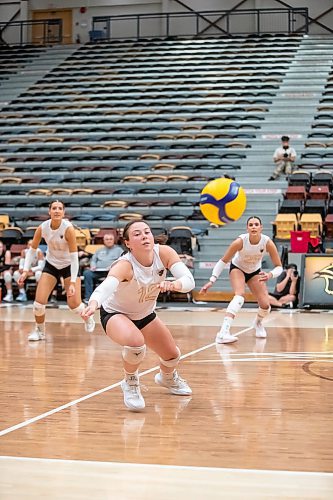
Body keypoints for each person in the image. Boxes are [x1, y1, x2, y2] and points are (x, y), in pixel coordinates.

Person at [81, 220, 195, 411]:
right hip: (116, 313)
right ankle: (130, 381)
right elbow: (106, 287)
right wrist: (93, 303)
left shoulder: (164, 253)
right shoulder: (125, 265)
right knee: (136, 343)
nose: (144, 236)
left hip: (145, 314)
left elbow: (188, 280)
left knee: (172, 356)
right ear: (127, 243)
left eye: (147, 232)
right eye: (137, 234)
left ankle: (167, 378)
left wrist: (175, 284)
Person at [17, 200, 95, 341]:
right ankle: (40, 332)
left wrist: (72, 282)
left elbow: (74, 258)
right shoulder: (42, 227)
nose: (57, 211)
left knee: (74, 305)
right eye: (54, 208)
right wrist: (25, 271)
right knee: (38, 304)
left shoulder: (68, 229)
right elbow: (32, 250)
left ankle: (88, 317)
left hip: (69, 266)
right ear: (49, 212)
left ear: (63, 213)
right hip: (52, 264)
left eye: (60, 208)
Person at [200, 216, 283, 343]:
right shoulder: (240, 241)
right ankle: (223, 332)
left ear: (261, 228)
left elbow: (279, 267)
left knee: (265, 305)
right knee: (239, 296)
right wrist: (212, 280)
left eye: (256, 224)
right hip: (238, 268)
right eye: (251, 225)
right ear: (247, 228)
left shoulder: (267, 242)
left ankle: (258, 323)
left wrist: (270, 275)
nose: (253, 227)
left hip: (255, 271)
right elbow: (223, 261)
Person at [83, 233, 123, 303]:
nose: (109, 241)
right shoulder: (99, 250)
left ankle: (115, 299)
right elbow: (93, 260)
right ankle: (88, 298)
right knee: (87, 273)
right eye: (107, 239)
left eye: (111, 239)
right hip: (98, 271)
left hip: (112, 272)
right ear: (104, 241)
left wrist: (113, 266)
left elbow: (123, 261)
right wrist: (93, 265)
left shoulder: (119, 250)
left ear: (114, 240)